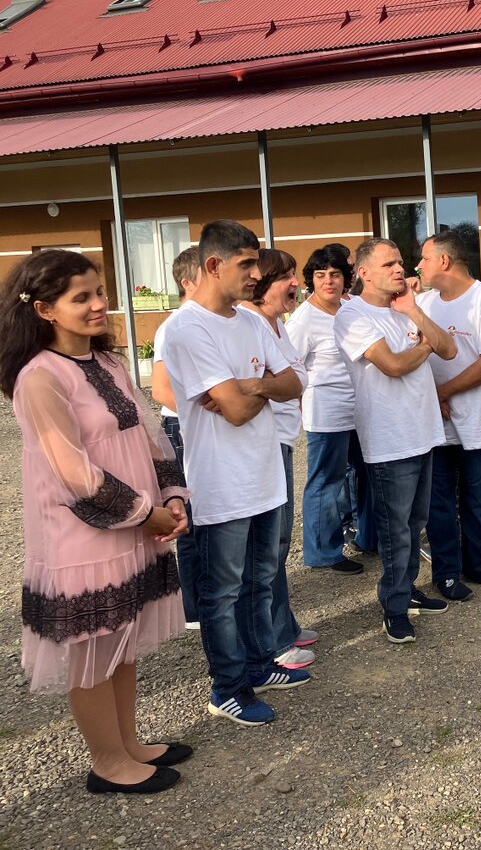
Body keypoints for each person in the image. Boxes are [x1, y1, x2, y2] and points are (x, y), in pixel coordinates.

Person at [1, 250, 190, 794]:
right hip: (82, 534)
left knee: (121, 639)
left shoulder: (106, 362)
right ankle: (107, 762)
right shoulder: (40, 377)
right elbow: (74, 474)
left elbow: (150, 433)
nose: (98, 305)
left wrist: (172, 495)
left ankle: (128, 743)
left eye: (99, 292)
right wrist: (145, 513)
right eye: (80, 297)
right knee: (92, 647)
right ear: (44, 309)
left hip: (134, 524)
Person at [160, 220, 310, 727]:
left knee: (261, 580)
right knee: (222, 591)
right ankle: (227, 687)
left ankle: (260, 664)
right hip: (220, 483)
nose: (256, 273)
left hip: (266, 474)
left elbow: (295, 380)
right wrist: (260, 388)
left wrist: (253, 385)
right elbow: (237, 409)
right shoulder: (185, 328)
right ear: (212, 265)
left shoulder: (249, 320)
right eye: (246, 264)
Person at [336, 238, 457, 643]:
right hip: (389, 439)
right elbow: (392, 365)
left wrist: (414, 312)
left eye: (401, 263)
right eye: (389, 264)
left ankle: (408, 590)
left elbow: (451, 349)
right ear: (364, 272)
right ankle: (394, 605)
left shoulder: (404, 309)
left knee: (415, 523)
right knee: (395, 530)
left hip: (422, 433)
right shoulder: (351, 315)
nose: (400, 269)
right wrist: (425, 345)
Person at [418, 230, 481, 601]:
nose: (418, 266)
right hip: (434, 421)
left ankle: (478, 563)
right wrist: (432, 396)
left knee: (476, 496)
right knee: (438, 501)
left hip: (474, 420)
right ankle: (446, 573)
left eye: (424, 259)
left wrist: (444, 392)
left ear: (444, 261)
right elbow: (413, 354)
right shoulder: (424, 303)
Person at [241, 247, 315, 670]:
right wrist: (277, 383)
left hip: (281, 441)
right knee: (267, 547)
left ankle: (282, 625)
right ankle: (270, 641)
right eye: (285, 277)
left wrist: (281, 382)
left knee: (278, 543)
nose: (295, 283)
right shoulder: (252, 324)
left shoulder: (276, 324)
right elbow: (276, 383)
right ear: (263, 285)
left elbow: (295, 379)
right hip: (265, 444)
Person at [287, 244, 372, 575]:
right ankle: (323, 551)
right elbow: (290, 368)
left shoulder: (351, 308)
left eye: (335, 274)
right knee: (327, 481)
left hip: (361, 408)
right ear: (311, 280)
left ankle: (368, 537)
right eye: (320, 275)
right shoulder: (304, 319)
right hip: (326, 411)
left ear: (346, 278)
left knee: (367, 475)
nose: (328, 282)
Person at [150, 247, 202, 630]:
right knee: (191, 518)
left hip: (199, 427)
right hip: (183, 429)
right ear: (187, 281)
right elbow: (161, 390)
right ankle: (195, 607)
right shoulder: (173, 326)